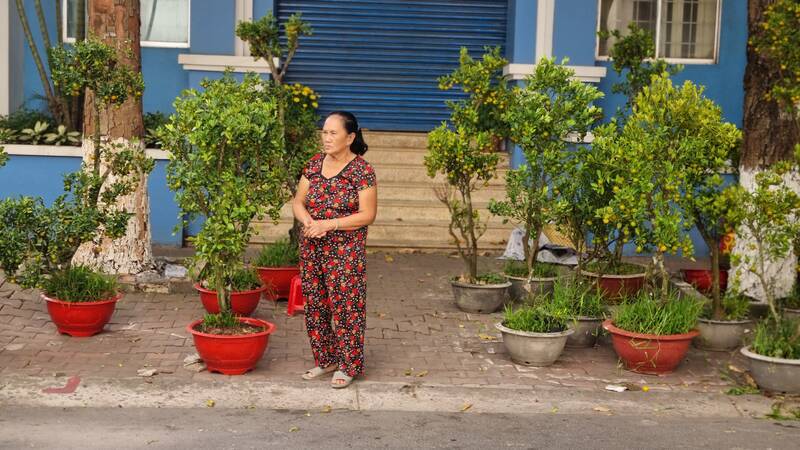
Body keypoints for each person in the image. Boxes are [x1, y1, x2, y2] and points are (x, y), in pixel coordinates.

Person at [292, 111, 378, 389]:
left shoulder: (362, 171)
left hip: (345, 252)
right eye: (324, 132)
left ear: (350, 137)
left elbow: (367, 215)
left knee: (346, 307)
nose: (326, 138)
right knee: (315, 304)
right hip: (312, 247)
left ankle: (349, 364)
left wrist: (329, 224)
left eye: (332, 133)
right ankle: (325, 359)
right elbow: (298, 202)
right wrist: (308, 221)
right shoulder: (314, 164)